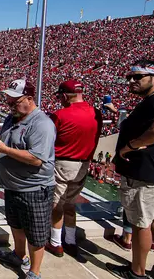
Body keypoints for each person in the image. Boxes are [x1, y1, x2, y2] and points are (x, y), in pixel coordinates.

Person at [106, 60, 154, 279]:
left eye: (138, 77)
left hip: (146, 173)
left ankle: (137, 272)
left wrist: (130, 147)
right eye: (130, 76)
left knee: (141, 224)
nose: (132, 81)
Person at [0, 80, 56, 279]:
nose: (10, 106)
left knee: (36, 234)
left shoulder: (42, 123)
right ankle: (19, 256)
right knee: (16, 224)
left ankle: (34, 272)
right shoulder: (13, 118)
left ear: (29, 98)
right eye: (8, 102)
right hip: (13, 185)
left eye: (14, 102)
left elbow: (36, 159)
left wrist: (4, 150)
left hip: (34, 188)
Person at [46, 80, 101, 258]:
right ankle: (70, 240)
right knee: (70, 204)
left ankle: (56, 243)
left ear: (64, 95)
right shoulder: (96, 113)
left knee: (57, 205)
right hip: (83, 164)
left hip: (62, 163)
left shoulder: (60, 114)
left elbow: (49, 140)